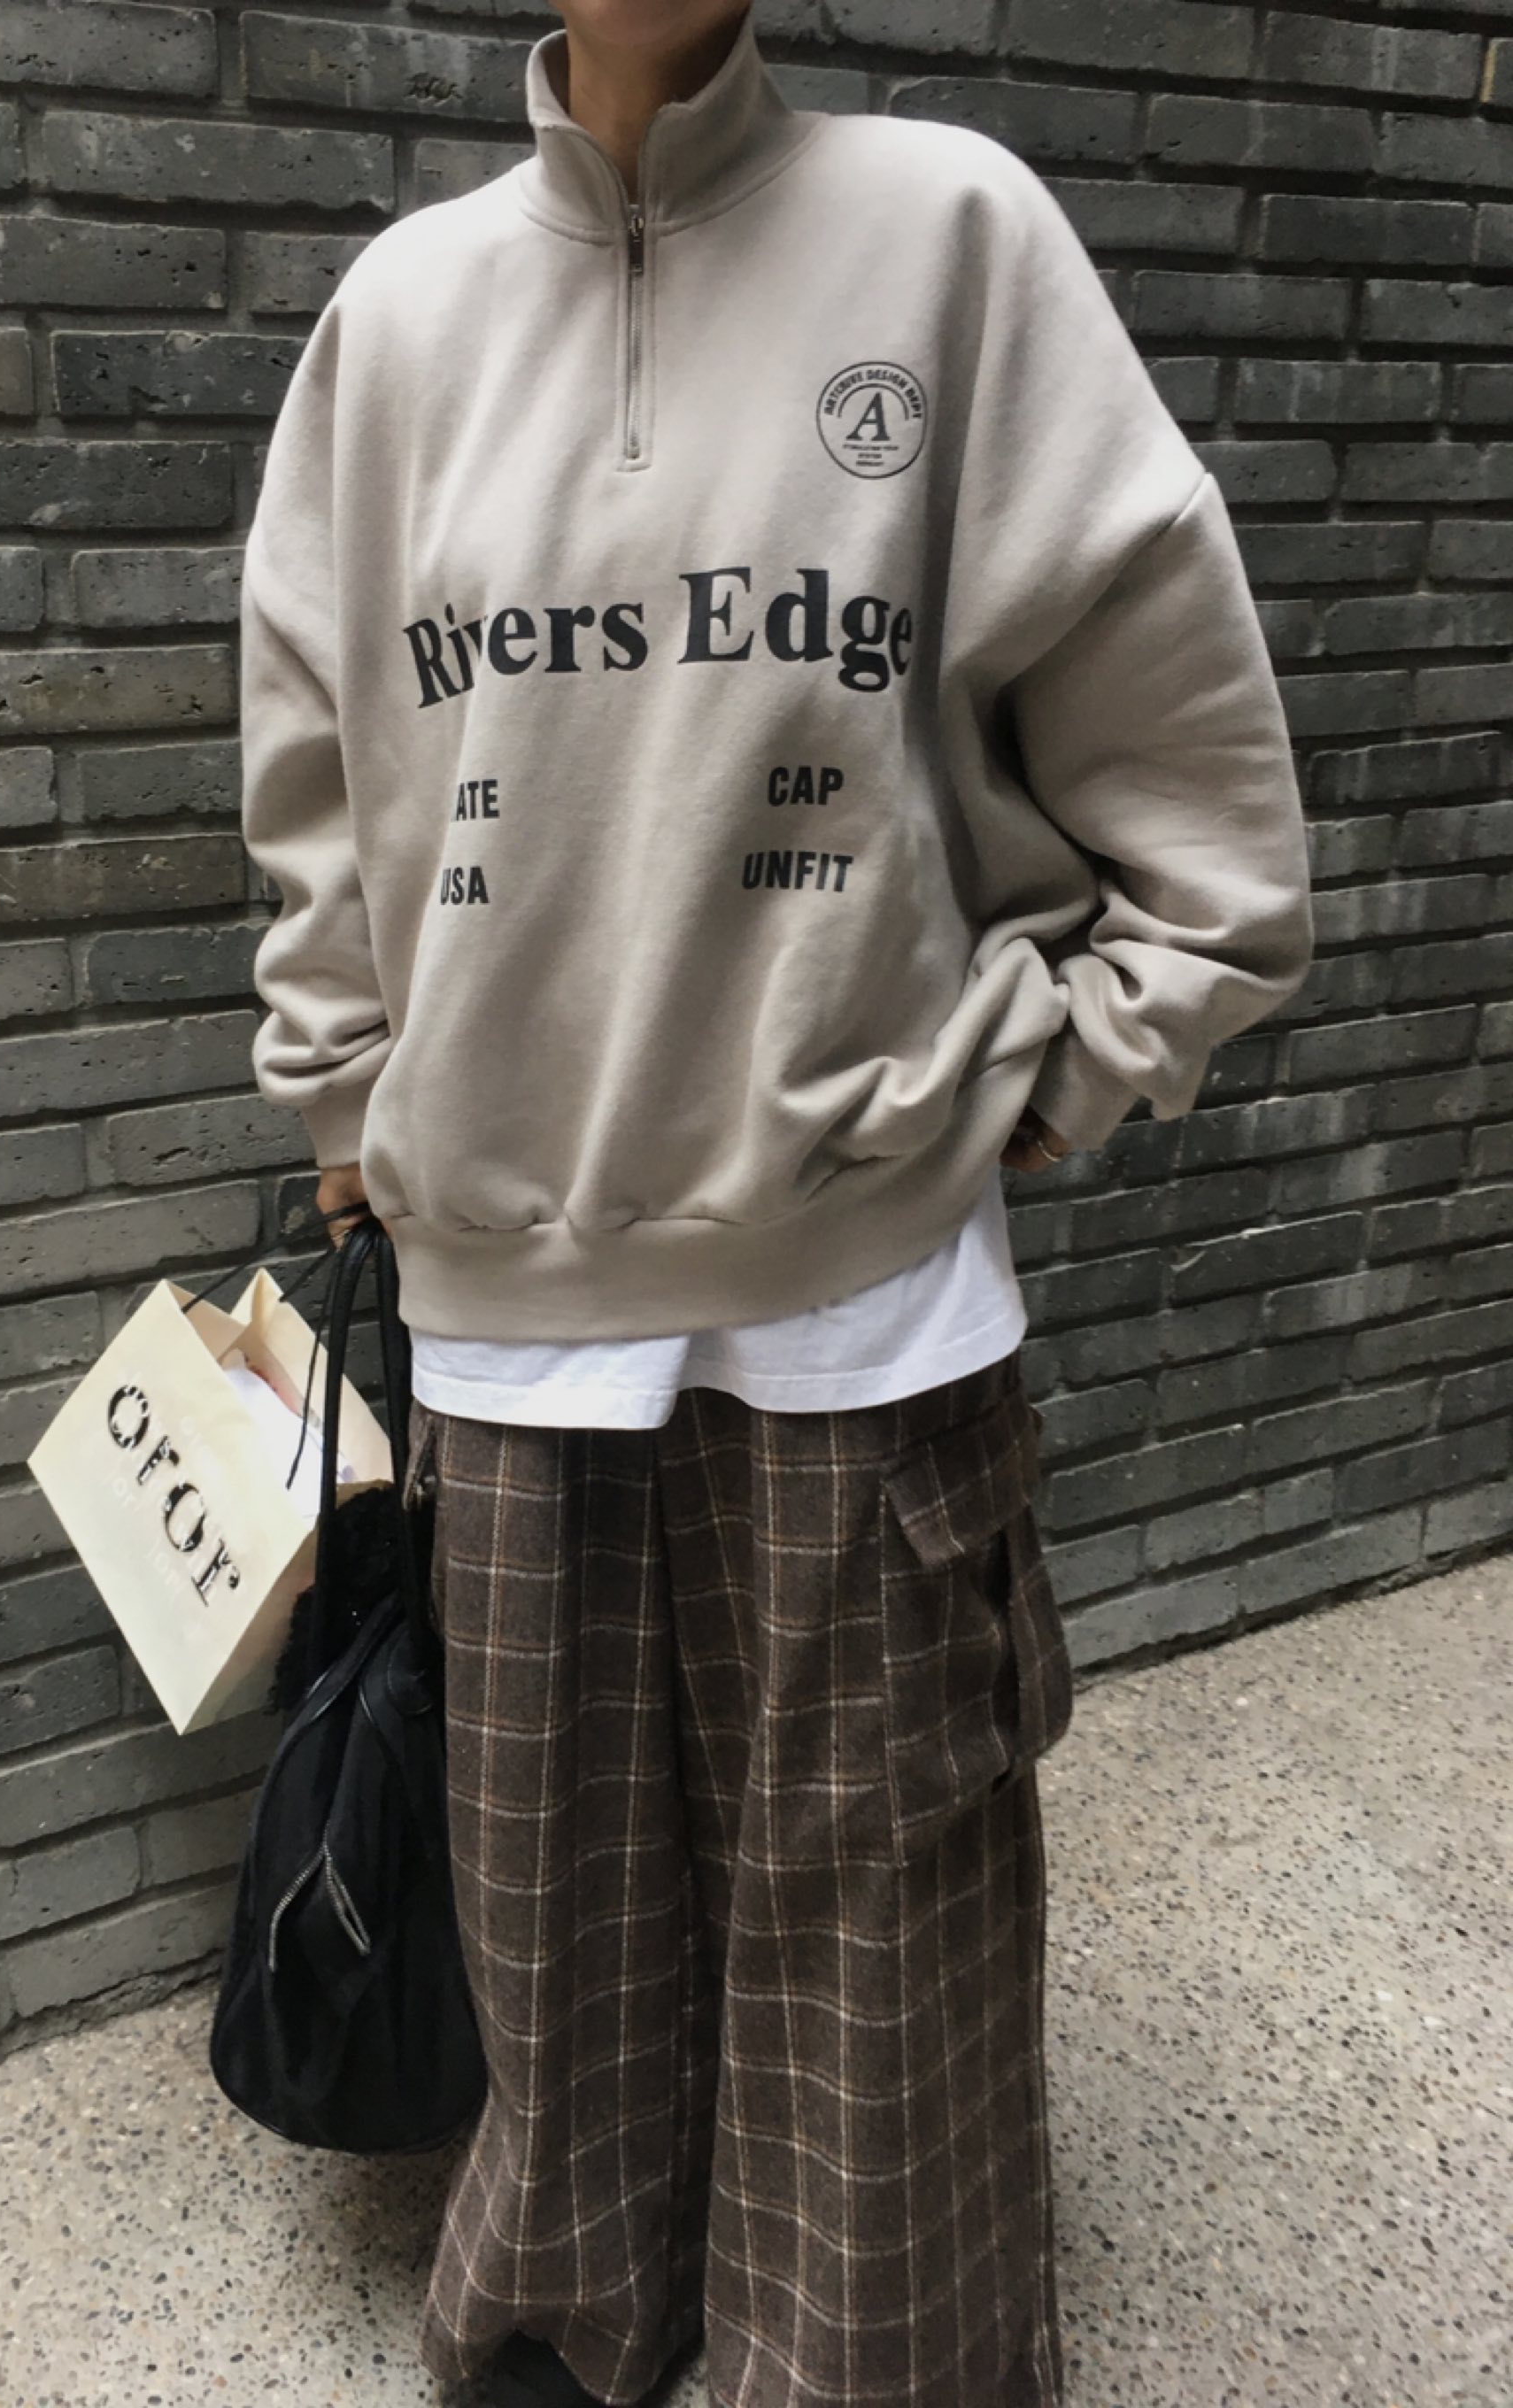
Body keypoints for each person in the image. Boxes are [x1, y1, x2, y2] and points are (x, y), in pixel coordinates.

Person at [237, 4, 1315, 2401]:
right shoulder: (398, 323)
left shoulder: (952, 243)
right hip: (512, 1308)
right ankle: (570, 2331)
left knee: (881, 1945)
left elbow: (1204, 811)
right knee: (553, 1933)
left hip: (865, 1311)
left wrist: (1067, 1070)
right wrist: (347, 1103)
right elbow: (322, 774)